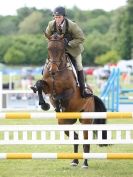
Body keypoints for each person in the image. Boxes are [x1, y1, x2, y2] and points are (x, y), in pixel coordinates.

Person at [45, 6, 93, 98]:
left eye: (59, 17)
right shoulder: (51, 24)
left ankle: (83, 89)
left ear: (63, 17)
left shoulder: (72, 25)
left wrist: (69, 43)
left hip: (73, 49)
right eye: (55, 17)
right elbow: (47, 37)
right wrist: (55, 44)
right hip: (58, 51)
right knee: (50, 62)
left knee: (79, 65)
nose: (57, 19)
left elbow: (81, 38)